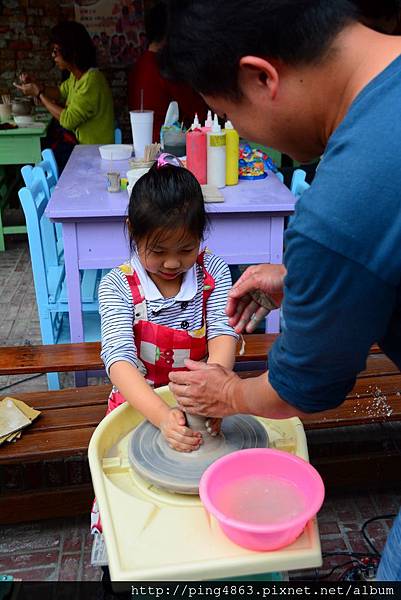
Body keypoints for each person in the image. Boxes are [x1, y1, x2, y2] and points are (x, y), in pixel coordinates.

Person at [161, 0, 401, 581]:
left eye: (228, 116)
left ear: (261, 76)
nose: (242, 135)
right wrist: (305, 281)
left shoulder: (341, 207)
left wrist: (229, 396)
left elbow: (303, 387)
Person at [90, 153, 238, 533]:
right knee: (134, 506)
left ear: (201, 237)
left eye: (186, 250)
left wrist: (218, 387)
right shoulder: (117, 285)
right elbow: (119, 359)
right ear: (132, 231)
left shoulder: (214, 271)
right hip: (139, 399)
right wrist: (160, 415)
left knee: (211, 503)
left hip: (202, 393)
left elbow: (223, 330)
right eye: (158, 251)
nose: (173, 263)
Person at [14, 21, 114, 172]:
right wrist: (35, 85)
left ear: (71, 51)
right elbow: (60, 92)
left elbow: (68, 120)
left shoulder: (92, 80)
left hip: (94, 156)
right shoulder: (77, 77)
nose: (53, 56)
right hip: (82, 152)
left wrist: (39, 94)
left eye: (56, 51)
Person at [128, 1, 207, 141]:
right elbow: (199, 113)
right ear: (170, 32)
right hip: (166, 148)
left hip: (144, 143)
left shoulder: (139, 64)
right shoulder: (165, 67)